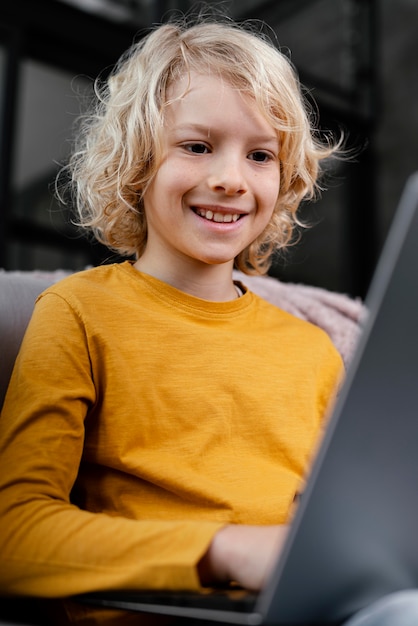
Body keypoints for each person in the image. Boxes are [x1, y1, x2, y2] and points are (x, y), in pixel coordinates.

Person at [1, 12, 416, 626]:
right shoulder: (77, 314)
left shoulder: (314, 349)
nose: (230, 180)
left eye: (260, 156)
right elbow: (15, 537)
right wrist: (224, 550)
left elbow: (351, 526)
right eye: (197, 147)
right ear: (139, 163)